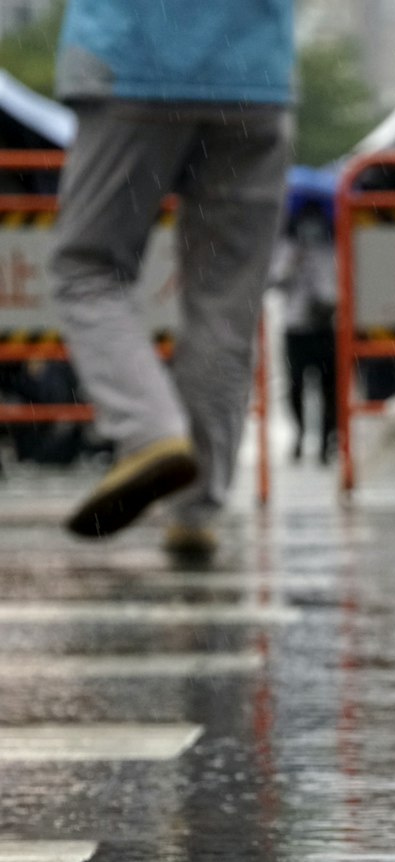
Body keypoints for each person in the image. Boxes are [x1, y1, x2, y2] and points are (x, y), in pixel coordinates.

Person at [50, 0, 294, 555]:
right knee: (225, 300)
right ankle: (197, 506)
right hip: (254, 75)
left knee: (88, 267)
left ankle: (150, 433)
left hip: (130, 60)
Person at [272, 197, 338, 465]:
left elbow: (340, 284)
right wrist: (293, 260)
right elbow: (273, 280)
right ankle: (299, 434)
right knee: (295, 386)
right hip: (296, 326)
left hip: (325, 327)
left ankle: (326, 442)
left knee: (328, 389)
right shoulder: (287, 247)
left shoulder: (332, 247)